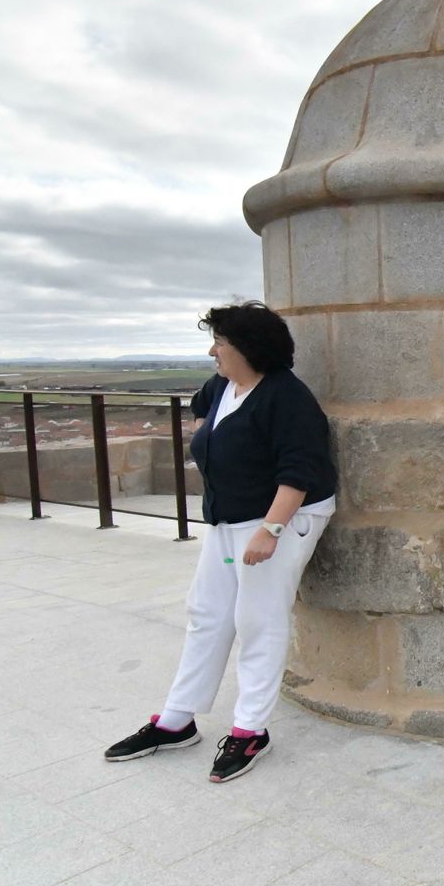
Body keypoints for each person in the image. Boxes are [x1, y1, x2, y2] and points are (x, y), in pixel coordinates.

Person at [104, 301, 337, 783]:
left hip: (280, 519)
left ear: (249, 350)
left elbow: (301, 470)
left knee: (258, 618)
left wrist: (270, 531)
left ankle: (251, 730)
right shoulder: (222, 386)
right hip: (228, 518)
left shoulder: (287, 399)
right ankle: (176, 720)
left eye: (221, 344)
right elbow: (204, 417)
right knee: (207, 612)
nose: (213, 351)